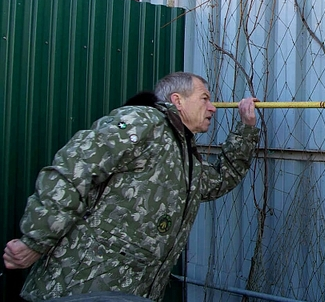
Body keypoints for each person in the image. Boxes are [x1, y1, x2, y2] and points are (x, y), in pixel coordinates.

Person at [3, 72, 260, 301]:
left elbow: (218, 180)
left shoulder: (184, 153)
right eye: (205, 98)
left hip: (133, 290)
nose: (213, 108)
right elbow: (75, 167)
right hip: (82, 285)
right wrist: (37, 240)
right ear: (178, 100)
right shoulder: (144, 121)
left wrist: (246, 129)